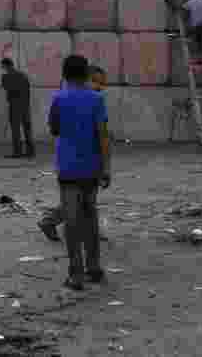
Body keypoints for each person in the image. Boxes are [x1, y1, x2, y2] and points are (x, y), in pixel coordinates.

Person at [49, 55, 111, 291]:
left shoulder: (58, 98)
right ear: (86, 74)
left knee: (72, 222)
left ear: (65, 74)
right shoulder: (97, 99)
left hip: (67, 168)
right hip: (91, 168)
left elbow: (54, 129)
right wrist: (106, 168)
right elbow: (103, 136)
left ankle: (76, 275)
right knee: (90, 218)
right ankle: (93, 268)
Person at [39, 65, 108, 242]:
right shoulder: (86, 100)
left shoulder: (86, 99)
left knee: (82, 199)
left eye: (102, 83)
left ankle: (52, 222)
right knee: (82, 200)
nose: (100, 86)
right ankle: (55, 222)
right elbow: (101, 136)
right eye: (96, 82)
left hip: (76, 160)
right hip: (81, 160)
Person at [0, 58, 34, 158]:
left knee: (15, 129)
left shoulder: (6, 76)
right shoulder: (23, 75)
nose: (3, 68)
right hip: (25, 105)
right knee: (27, 128)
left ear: (6, 66)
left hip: (14, 105)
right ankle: (30, 151)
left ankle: (17, 152)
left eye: (3, 66)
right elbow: (28, 89)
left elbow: (6, 87)